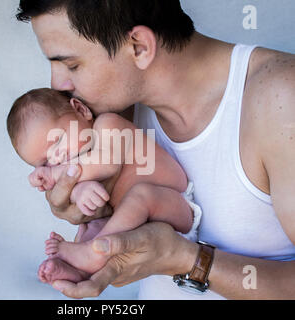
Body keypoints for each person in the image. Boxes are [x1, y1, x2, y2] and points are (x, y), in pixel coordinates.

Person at [15, 0, 295, 299]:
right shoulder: (114, 109)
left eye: (72, 65)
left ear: (139, 47)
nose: (57, 83)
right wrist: (83, 206)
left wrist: (186, 260)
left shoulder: (280, 99)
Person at [6, 88, 202, 284]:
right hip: (138, 229)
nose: (57, 159)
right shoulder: (81, 166)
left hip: (175, 206)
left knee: (141, 195)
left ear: (81, 111)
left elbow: (107, 162)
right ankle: (79, 270)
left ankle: (94, 251)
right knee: (91, 225)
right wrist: (79, 191)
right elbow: (81, 183)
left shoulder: (108, 125)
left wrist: (53, 173)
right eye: (44, 162)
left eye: (57, 141)